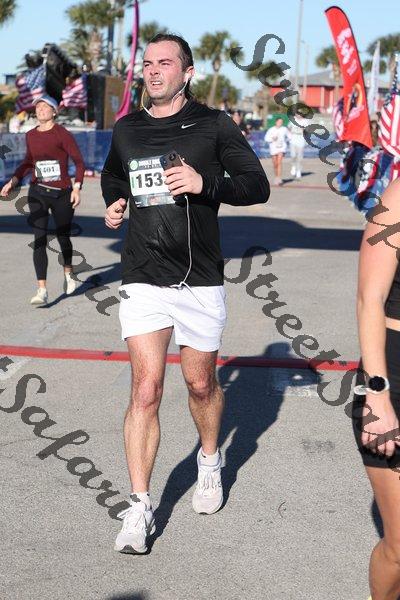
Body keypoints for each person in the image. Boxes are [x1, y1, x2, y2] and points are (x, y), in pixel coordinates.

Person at [101, 33, 270, 555]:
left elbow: (256, 185)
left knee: (199, 385)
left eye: (165, 63)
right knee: (145, 389)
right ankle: (139, 505)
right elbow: (114, 175)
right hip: (142, 276)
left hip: (198, 280)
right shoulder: (127, 128)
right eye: (147, 63)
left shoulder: (214, 124)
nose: (153, 71)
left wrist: (204, 183)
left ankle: (209, 458)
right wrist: (115, 202)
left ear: (187, 72)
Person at [351, 178, 400, 599]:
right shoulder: (399, 198)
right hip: (394, 384)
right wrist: (378, 395)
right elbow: (370, 298)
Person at [0, 95, 85, 305]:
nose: (40, 110)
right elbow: (28, 163)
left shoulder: (62, 134)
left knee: (63, 236)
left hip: (62, 193)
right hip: (37, 192)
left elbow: (79, 162)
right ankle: (42, 289)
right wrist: (13, 181)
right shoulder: (30, 135)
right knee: (39, 239)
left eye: (45, 107)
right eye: (37, 107)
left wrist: (76, 187)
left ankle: (68, 272)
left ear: (54, 111)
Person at [264, 117, 289, 185]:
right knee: (275, 164)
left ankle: (279, 178)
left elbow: (289, 136)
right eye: (279, 122)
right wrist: (272, 138)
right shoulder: (271, 129)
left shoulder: (284, 129)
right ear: (276, 122)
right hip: (273, 148)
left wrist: (285, 142)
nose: (280, 123)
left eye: (281, 122)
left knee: (279, 162)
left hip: (281, 148)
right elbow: (266, 138)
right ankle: (276, 177)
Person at [288, 111, 308, 179]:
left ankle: (298, 171)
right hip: (293, 138)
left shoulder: (305, 121)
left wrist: (304, 129)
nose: (298, 115)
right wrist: (289, 135)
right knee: (293, 155)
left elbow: (307, 130)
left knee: (299, 156)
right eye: (297, 114)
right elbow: (289, 128)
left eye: (299, 114)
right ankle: (293, 166)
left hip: (301, 138)